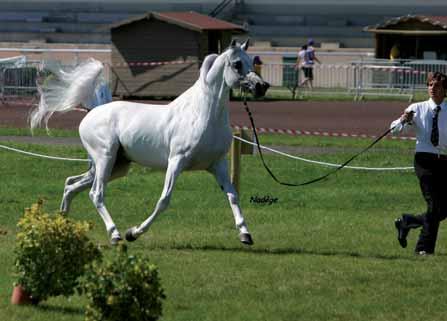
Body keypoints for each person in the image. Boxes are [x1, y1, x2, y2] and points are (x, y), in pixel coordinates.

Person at [391, 71, 447, 256]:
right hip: (424, 160)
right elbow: (394, 130)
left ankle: (408, 221)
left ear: (445, 90)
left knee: (441, 209)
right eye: (430, 85)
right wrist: (402, 120)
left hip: (444, 161)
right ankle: (423, 248)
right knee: (434, 204)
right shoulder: (417, 108)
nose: (432, 88)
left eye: (437, 85)